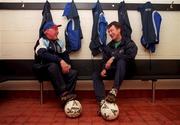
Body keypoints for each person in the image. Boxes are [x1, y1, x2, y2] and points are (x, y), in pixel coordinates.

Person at [92, 21, 138, 115]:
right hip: (114, 71)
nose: (110, 33)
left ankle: (114, 91)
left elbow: (130, 56)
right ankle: (102, 102)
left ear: (119, 30)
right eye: (108, 31)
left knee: (121, 61)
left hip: (127, 71)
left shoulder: (128, 42)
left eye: (112, 30)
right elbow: (104, 60)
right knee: (96, 74)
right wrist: (104, 68)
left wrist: (113, 58)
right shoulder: (108, 46)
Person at [35, 21, 78, 104]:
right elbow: (43, 54)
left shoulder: (60, 43)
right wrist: (60, 61)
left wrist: (67, 65)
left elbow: (66, 57)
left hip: (56, 71)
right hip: (42, 70)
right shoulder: (41, 41)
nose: (57, 31)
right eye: (55, 29)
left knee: (73, 72)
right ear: (46, 31)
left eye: (57, 29)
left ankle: (67, 99)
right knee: (53, 66)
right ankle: (63, 93)